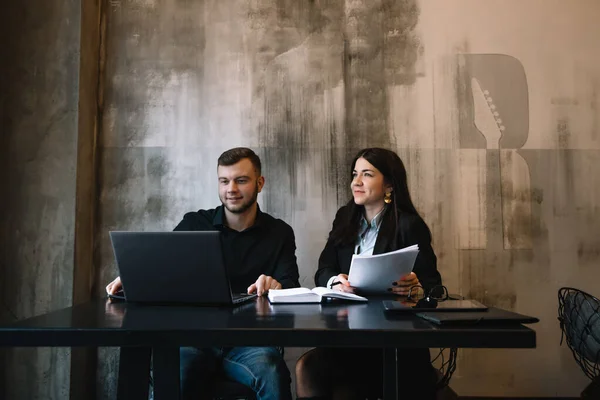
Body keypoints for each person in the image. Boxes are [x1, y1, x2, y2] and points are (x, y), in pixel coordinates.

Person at [106, 147, 299, 400]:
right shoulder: (195, 224)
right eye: (224, 181)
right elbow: (161, 264)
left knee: (272, 372)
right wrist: (135, 276)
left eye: (241, 180)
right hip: (194, 339)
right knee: (174, 376)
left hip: (250, 342)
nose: (231, 189)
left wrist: (276, 285)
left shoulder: (279, 232)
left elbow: (291, 286)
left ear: (259, 183)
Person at [294, 147, 442, 400]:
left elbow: (434, 288)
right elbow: (324, 269)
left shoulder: (408, 225)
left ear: (389, 186)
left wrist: (416, 288)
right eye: (355, 174)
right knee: (306, 367)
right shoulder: (344, 218)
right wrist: (335, 281)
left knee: (356, 386)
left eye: (367, 174)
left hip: (394, 338)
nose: (356, 182)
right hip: (348, 333)